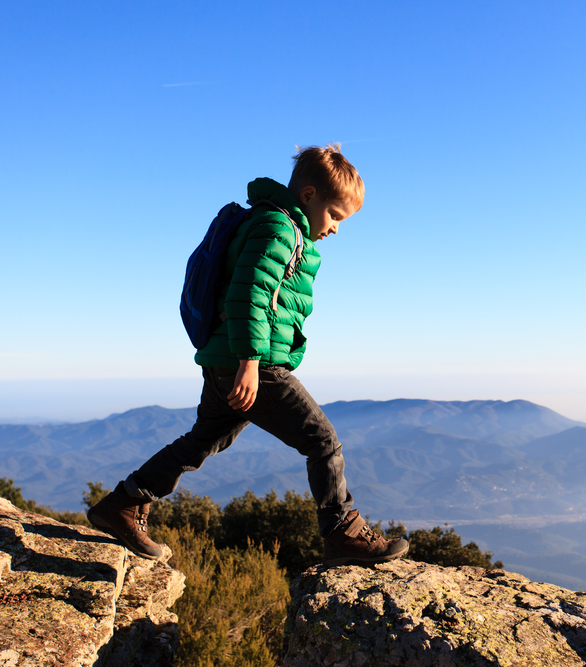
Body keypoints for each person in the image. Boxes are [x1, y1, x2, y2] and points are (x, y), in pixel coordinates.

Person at [88, 144, 408, 567]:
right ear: (309, 196)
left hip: (227, 360)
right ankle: (342, 532)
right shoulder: (278, 228)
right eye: (334, 216)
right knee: (323, 442)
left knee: (202, 441)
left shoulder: (278, 225)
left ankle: (124, 503)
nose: (334, 230)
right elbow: (249, 294)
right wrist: (251, 363)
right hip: (252, 365)